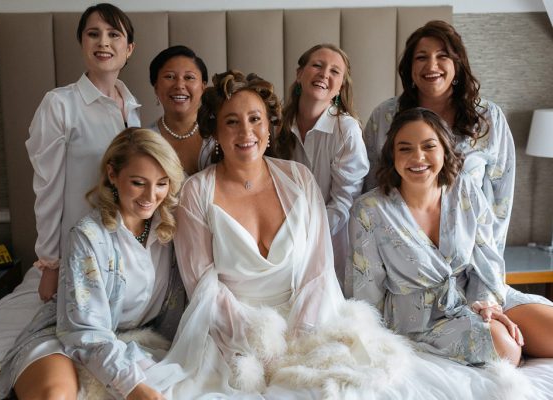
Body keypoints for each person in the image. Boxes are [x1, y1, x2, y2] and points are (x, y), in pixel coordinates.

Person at [139, 71, 481, 400]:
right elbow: (203, 285)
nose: (246, 131)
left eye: (255, 119)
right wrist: (258, 340)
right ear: (215, 129)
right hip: (227, 329)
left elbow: (318, 270)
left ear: (270, 126)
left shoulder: (299, 179)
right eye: (232, 121)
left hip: (308, 320)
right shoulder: (197, 191)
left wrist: (299, 339)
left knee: (334, 386)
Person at [0, 3, 140, 386]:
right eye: (93, 34)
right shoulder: (60, 105)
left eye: (113, 34)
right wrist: (50, 264)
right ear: (81, 44)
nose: (103, 42)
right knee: (38, 328)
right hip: (76, 248)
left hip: (121, 250)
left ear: (129, 49)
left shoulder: (133, 110)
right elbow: (48, 189)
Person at [0, 128, 184, 400]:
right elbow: (84, 331)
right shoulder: (88, 236)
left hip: (132, 342)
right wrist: (132, 386)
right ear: (112, 175)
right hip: (68, 334)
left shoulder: (172, 232)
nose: (151, 196)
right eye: (138, 183)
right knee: (55, 396)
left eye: (162, 183)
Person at [350, 108, 553, 368]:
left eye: (428, 146)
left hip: (478, 292)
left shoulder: (465, 189)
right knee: (506, 349)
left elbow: (487, 258)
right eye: (405, 148)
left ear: (444, 150)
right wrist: (373, 341)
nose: (418, 157)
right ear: (392, 155)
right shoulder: (369, 210)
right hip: (422, 316)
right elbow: (366, 289)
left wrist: (488, 306)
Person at [363, 20, 514, 257]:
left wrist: (488, 267)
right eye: (421, 57)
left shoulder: (488, 119)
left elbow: (500, 201)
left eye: (442, 55)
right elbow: (370, 188)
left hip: (470, 257)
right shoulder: (384, 117)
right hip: (400, 257)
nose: (431, 65)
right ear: (410, 68)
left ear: (457, 64)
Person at [276, 44, 368, 287]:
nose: (324, 74)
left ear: (340, 87)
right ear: (299, 74)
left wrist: (306, 237)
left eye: (334, 71)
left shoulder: (346, 130)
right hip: (279, 239)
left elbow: (345, 201)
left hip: (330, 242)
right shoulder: (276, 127)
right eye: (317, 65)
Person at [149, 45, 214, 175]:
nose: (179, 85)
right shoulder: (146, 140)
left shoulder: (221, 133)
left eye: (189, 77)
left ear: (203, 87)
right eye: (170, 77)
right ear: (156, 88)